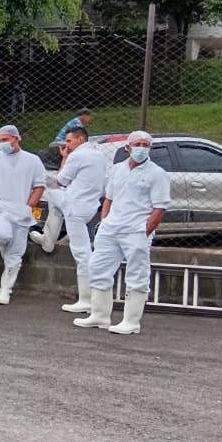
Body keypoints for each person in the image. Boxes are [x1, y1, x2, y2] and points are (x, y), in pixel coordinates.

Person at [74, 131, 169, 334]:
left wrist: (144, 232)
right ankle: (99, 316)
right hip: (111, 229)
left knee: (137, 274)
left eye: (145, 144)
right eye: (137, 144)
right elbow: (109, 197)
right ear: (128, 147)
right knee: (98, 267)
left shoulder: (157, 173)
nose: (141, 148)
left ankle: (131, 322)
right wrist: (105, 221)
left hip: (136, 230)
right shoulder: (117, 169)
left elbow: (160, 208)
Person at [44, 127, 108, 313]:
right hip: (88, 204)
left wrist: (65, 157)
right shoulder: (98, 154)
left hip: (75, 206)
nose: (67, 144)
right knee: (54, 200)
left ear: (80, 139)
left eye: (70, 141)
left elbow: (61, 180)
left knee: (82, 254)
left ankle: (86, 299)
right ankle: (48, 238)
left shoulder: (78, 156)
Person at [0, 125, 46, 305]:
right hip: (0, 209)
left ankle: (5, 289)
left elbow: (39, 186)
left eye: (5, 139)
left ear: (16, 138)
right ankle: (7, 262)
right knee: (0, 236)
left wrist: (28, 206)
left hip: (21, 211)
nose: (2, 143)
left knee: (15, 254)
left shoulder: (32, 160)